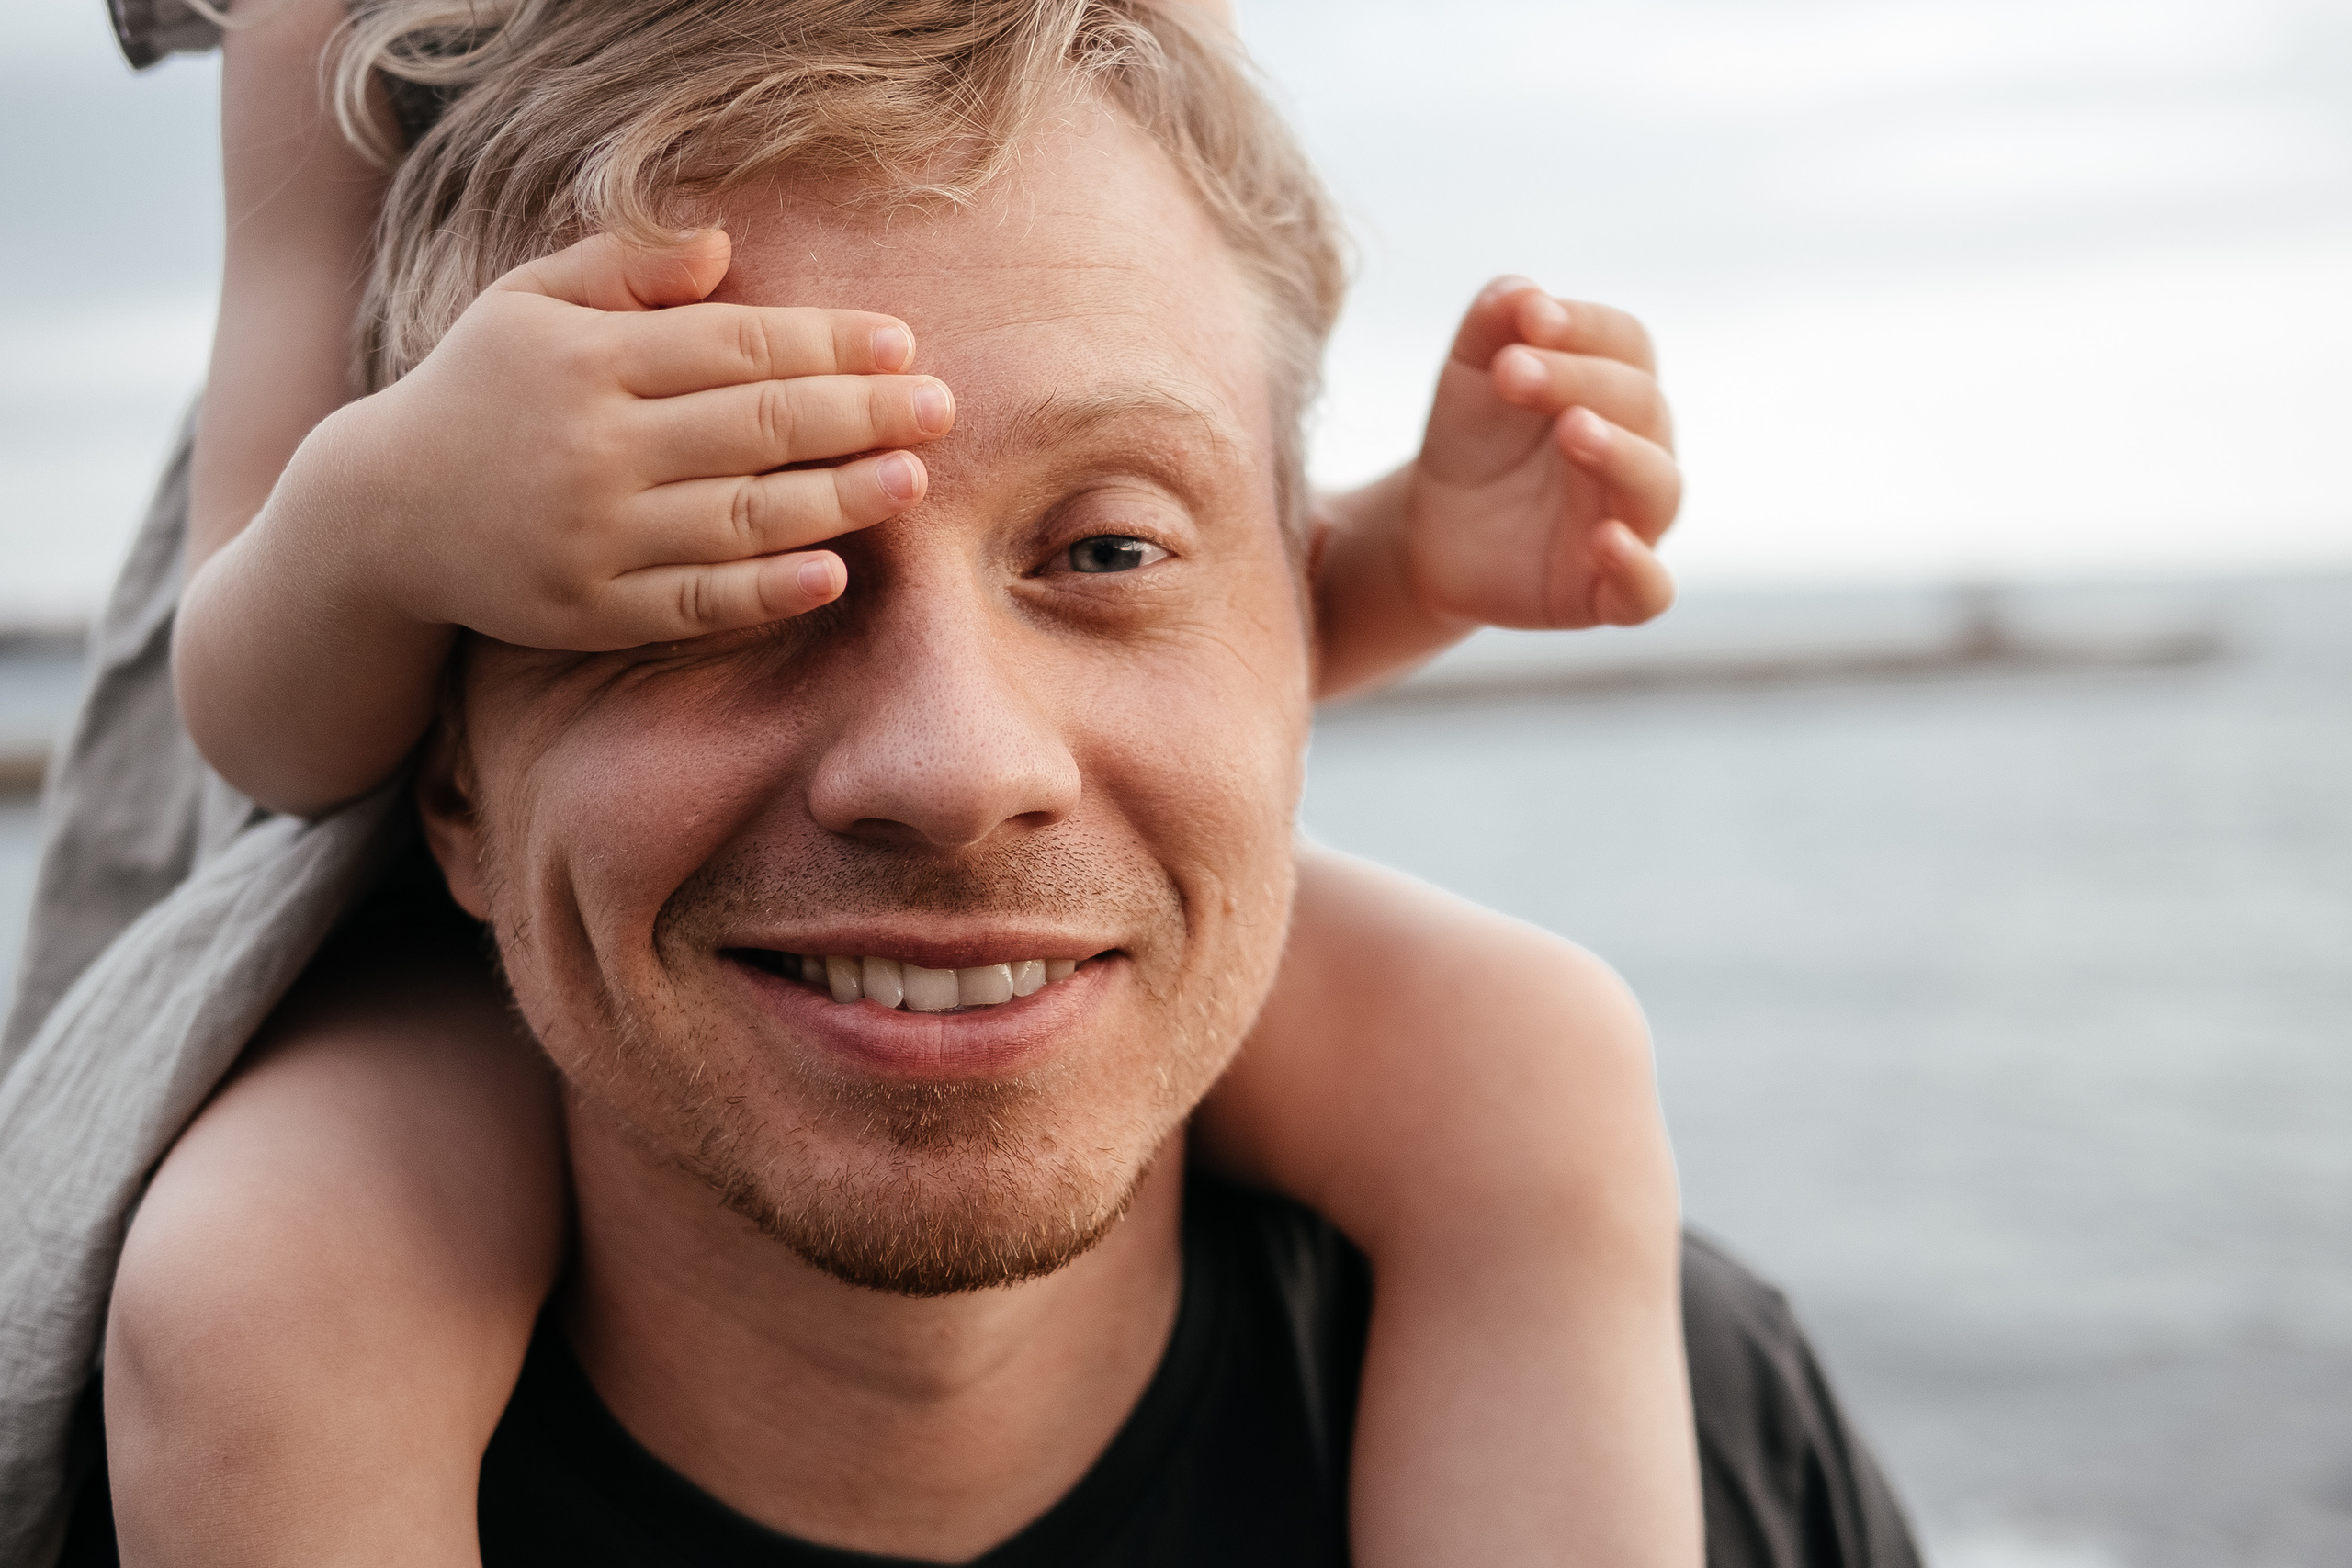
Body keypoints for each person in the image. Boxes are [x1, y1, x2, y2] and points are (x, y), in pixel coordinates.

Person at [0, 4, 1910, 1567]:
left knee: (1535, 1050)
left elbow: (1227, 599)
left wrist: (1407, 547)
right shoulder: (330, 30)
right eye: (717, 588)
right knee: (257, 1287)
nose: (955, 764)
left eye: (1105, 550)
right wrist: (388, 521)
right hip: (391, 907)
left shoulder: (1730, 1427)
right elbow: (263, 715)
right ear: (460, 752)